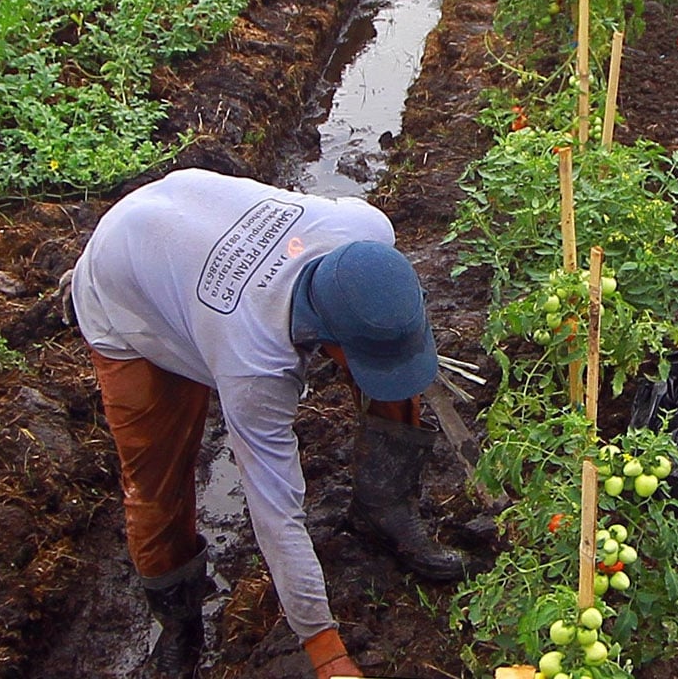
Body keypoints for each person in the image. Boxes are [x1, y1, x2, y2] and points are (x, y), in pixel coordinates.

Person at [68, 168, 467, 678]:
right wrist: (327, 652)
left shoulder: (367, 230)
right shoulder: (254, 367)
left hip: (195, 213)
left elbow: (383, 321)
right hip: (126, 289)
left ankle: (385, 508)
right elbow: (275, 511)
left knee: (389, 361)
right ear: (327, 340)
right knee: (157, 477)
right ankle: (180, 620)